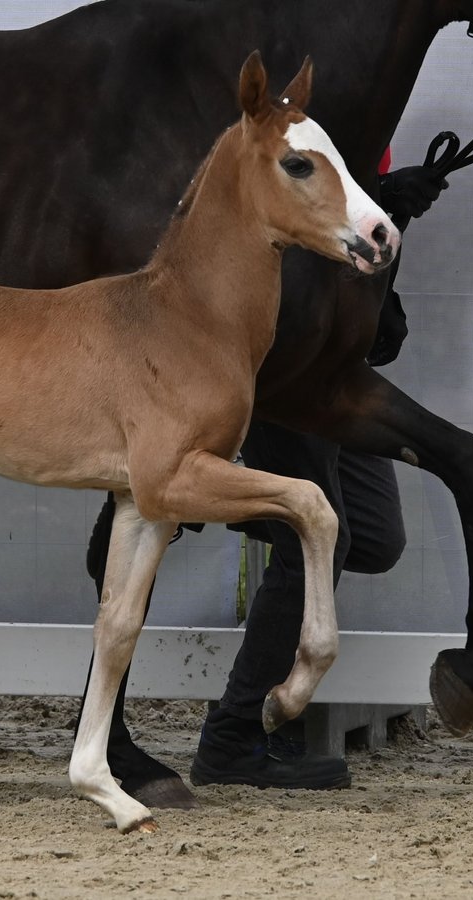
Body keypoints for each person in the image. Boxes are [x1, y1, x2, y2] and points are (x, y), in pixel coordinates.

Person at [87, 152, 448, 791]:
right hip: (283, 360)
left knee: (377, 537)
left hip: (333, 364)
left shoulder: (366, 135)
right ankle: (233, 736)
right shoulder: (300, 129)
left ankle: (195, 495)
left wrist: (390, 215)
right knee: (310, 535)